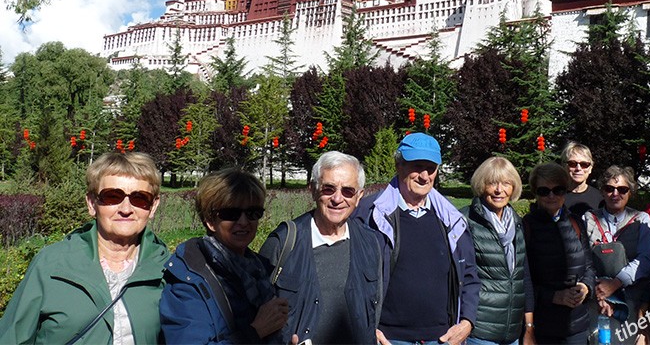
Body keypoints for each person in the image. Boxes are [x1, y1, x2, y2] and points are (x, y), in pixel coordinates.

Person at [0, 152, 168, 344]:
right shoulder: (52, 265)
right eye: (112, 196)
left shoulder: (166, 269)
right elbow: (12, 337)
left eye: (140, 198)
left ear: (153, 206)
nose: (126, 209)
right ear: (91, 203)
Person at [355, 132, 480, 345]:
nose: (424, 175)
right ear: (399, 166)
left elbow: (468, 274)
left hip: (441, 338)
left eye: (430, 169)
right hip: (389, 339)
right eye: (416, 166)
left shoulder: (451, 219)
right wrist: (368, 330)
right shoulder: (369, 214)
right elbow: (352, 278)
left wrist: (467, 322)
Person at [260, 151, 383, 345]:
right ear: (313, 189)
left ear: (359, 197)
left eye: (348, 191)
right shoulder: (283, 243)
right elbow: (257, 317)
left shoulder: (370, 242)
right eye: (328, 188)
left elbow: (374, 307)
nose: (337, 198)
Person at [160, 168, 292, 344]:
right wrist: (256, 331)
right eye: (231, 214)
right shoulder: (189, 278)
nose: (244, 222)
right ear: (210, 220)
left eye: (253, 213)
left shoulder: (260, 269)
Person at [460, 157, 535, 345]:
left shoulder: (517, 223)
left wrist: (528, 327)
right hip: (479, 331)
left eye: (506, 183)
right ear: (481, 185)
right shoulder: (465, 221)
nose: (499, 190)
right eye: (492, 183)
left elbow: (523, 277)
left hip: (511, 333)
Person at [523, 162, 595, 344]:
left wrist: (586, 288)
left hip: (577, 325)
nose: (551, 195)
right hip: (544, 326)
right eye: (544, 191)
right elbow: (523, 281)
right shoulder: (527, 226)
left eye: (558, 190)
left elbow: (589, 266)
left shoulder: (576, 222)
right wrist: (554, 296)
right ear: (535, 192)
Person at [583, 166, 650, 345]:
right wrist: (600, 292)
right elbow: (583, 259)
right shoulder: (589, 219)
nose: (615, 194)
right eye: (609, 189)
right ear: (602, 191)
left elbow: (645, 260)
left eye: (622, 189)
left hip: (630, 301)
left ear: (630, 192)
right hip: (596, 303)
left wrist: (615, 283)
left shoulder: (641, 219)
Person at [562, 141, 603, 218]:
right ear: (565, 166)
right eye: (572, 164)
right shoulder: (554, 196)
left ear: (590, 168)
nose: (578, 168)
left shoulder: (600, 199)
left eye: (584, 164)